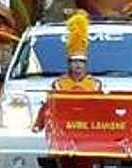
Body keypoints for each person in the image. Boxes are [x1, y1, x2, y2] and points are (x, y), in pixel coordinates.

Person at [32, 11, 101, 168]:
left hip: (87, 136)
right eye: (74, 62)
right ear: (69, 64)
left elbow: (101, 109)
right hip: (64, 135)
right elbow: (49, 105)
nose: (77, 66)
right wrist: (39, 123)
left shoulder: (95, 84)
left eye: (81, 62)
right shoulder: (59, 84)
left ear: (86, 65)